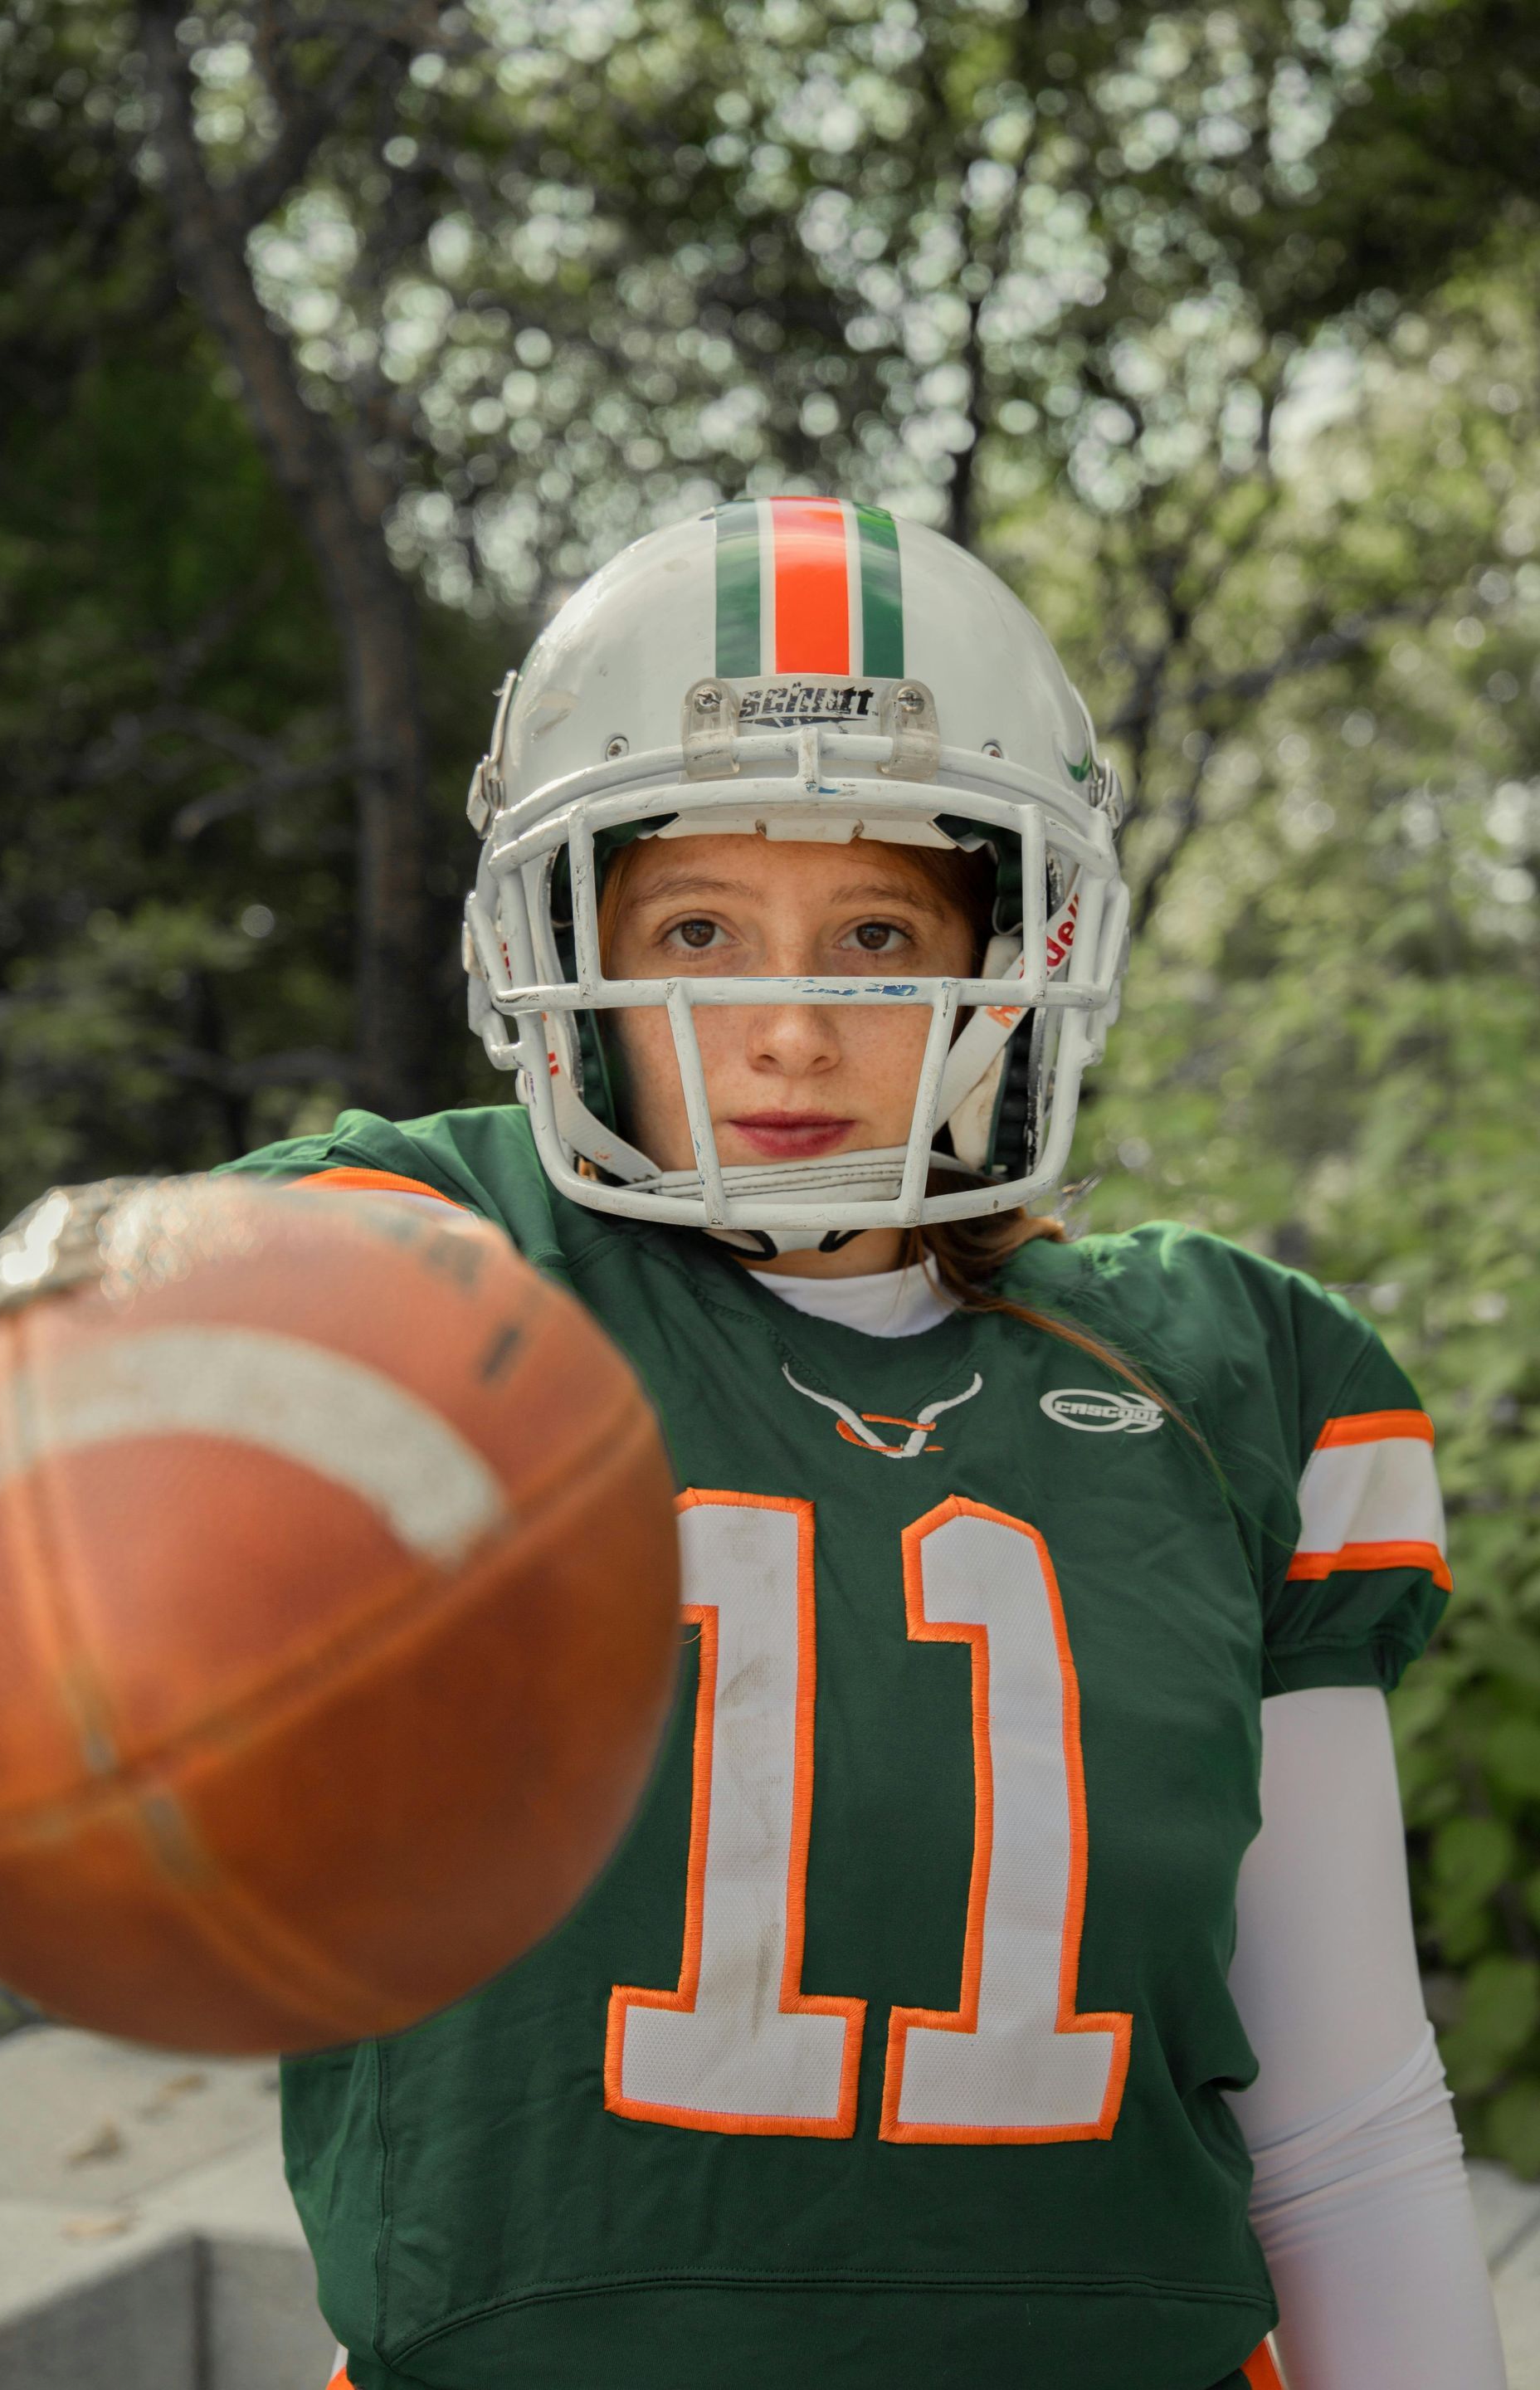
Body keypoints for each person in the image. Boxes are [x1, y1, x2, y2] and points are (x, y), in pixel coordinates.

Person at [221, 500, 1506, 2390]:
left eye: (880, 931)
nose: (794, 1028)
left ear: (1013, 958)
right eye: (699, 929)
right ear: (563, 941)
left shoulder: (1232, 1379)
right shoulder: (433, 1271)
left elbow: (1342, 2128)